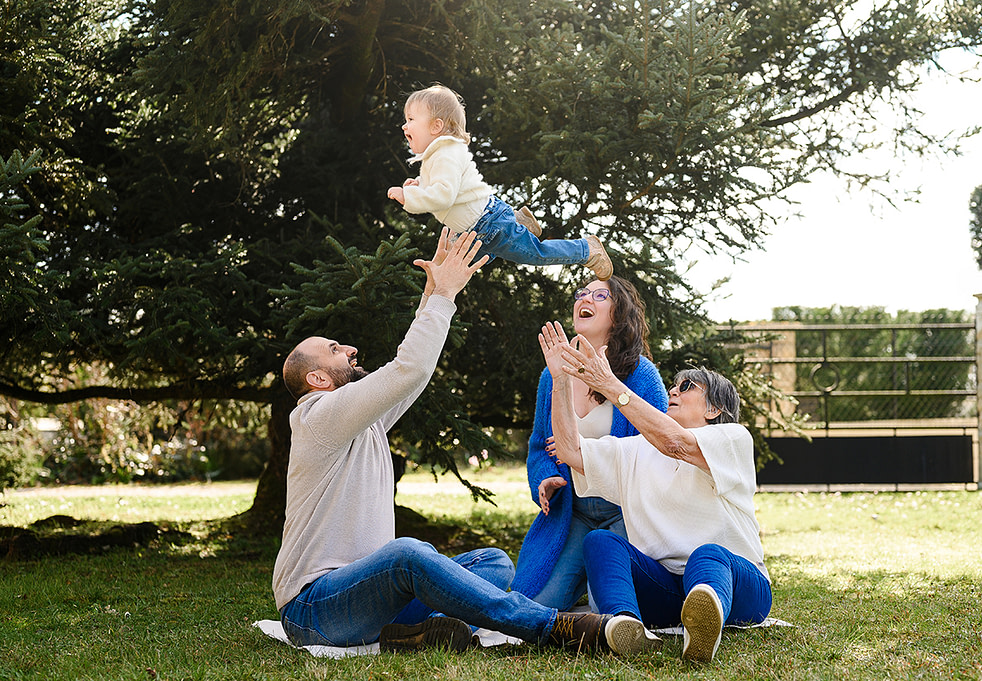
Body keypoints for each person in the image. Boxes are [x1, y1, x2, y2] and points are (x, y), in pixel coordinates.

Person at [271, 229, 654, 655]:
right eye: (335, 349)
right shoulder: (318, 416)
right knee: (408, 554)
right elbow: (407, 370)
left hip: (370, 601)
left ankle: (421, 632)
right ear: (318, 379)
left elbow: (406, 380)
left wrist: (433, 289)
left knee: (491, 562)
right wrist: (445, 295)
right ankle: (551, 628)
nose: (351, 348)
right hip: (315, 609)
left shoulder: (359, 424)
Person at [539, 321, 773, 662]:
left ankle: (707, 618)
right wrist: (559, 381)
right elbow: (571, 451)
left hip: (739, 584)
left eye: (687, 386)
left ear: (713, 410)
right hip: (667, 590)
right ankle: (625, 626)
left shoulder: (732, 438)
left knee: (708, 554)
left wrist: (608, 383)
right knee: (600, 541)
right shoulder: (635, 450)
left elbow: (675, 442)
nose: (673, 391)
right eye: (673, 385)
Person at [510, 276, 669, 610]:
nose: (586, 298)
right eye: (581, 293)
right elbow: (540, 447)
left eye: (600, 295)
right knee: (533, 605)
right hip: (574, 512)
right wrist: (545, 479)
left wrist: (581, 452)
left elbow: (655, 451)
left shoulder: (643, 376)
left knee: (609, 609)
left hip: (626, 512)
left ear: (619, 314)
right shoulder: (553, 372)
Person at [386, 84, 613, 280]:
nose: (404, 126)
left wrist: (410, 197)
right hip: (478, 226)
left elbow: (444, 194)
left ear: (436, 126)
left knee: (537, 254)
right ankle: (518, 222)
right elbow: (442, 186)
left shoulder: (445, 154)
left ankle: (586, 249)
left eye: (411, 119)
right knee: (454, 269)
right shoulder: (439, 154)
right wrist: (419, 185)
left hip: (488, 226)